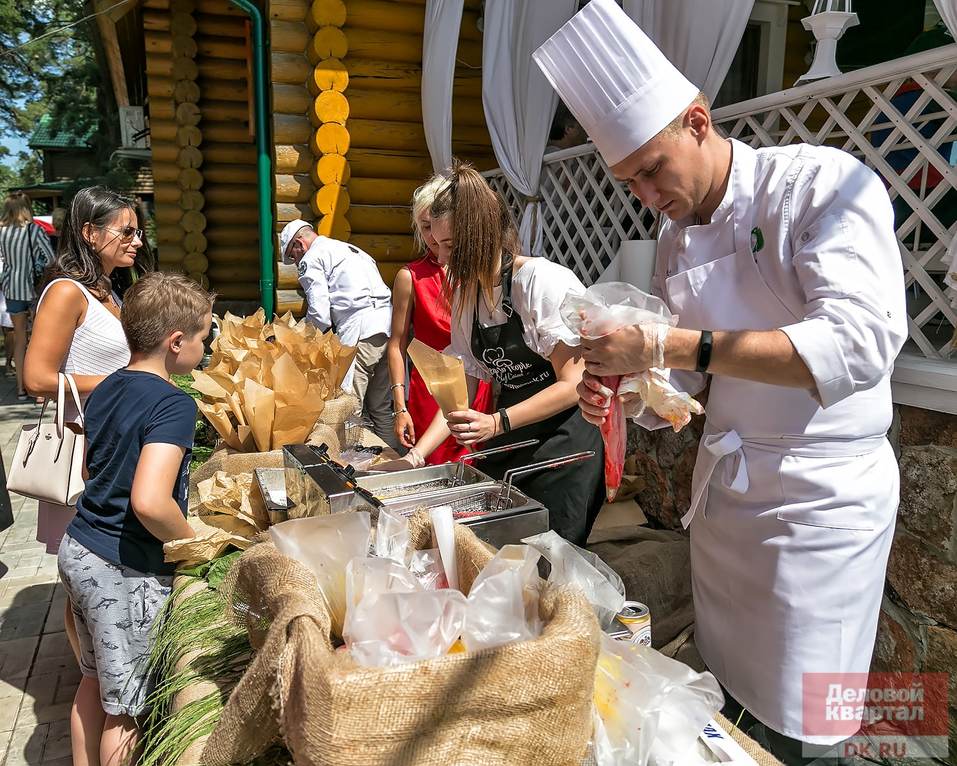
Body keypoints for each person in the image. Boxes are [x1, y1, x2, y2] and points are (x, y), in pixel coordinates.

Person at [535, 0, 907, 762]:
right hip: (730, 502)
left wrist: (666, 343)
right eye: (625, 180)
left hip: (821, 505)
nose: (644, 195)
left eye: (649, 170)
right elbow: (688, 389)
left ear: (697, 122)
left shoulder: (817, 185)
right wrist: (631, 384)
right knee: (731, 699)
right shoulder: (672, 243)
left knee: (816, 718)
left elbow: (859, 341)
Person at [386, 160, 605, 546]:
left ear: (482, 236)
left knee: (555, 557)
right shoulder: (467, 299)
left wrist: (497, 423)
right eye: (435, 245)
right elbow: (463, 393)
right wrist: (415, 458)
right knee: (501, 549)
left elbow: (574, 384)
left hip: (567, 440)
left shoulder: (538, 282)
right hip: (518, 433)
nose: (440, 259)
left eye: (450, 246)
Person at [58, 272, 212, 766]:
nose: (204, 349)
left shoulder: (104, 388)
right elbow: (150, 501)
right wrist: (192, 545)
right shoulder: (173, 403)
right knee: (127, 709)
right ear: (176, 342)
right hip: (121, 570)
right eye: (204, 336)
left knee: (94, 679)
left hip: (79, 546)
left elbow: (89, 468)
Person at [24, 187, 148, 664]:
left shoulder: (108, 290)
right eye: (127, 231)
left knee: (103, 574)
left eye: (139, 232)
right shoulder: (65, 292)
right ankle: (92, 679)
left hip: (111, 448)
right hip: (81, 451)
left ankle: (103, 672)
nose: (137, 241)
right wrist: (126, 381)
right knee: (85, 579)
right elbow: (37, 378)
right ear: (89, 233)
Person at [386, 176, 493, 463]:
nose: (432, 237)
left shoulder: (478, 275)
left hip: (477, 384)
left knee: (476, 469)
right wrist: (400, 407)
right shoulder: (410, 277)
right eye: (425, 227)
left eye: (437, 228)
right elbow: (396, 344)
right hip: (431, 391)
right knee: (431, 469)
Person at [278, 220, 398, 450]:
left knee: (350, 410)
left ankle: (360, 470)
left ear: (299, 244)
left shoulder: (312, 258)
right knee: (381, 408)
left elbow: (319, 312)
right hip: (388, 329)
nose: (296, 262)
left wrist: (302, 341)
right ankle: (399, 468)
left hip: (360, 331)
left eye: (293, 257)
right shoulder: (349, 249)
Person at [0, 191, 55, 399]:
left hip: (11, 288)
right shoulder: (34, 230)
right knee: (37, 338)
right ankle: (39, 391)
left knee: (20, 338)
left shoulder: (1, 231)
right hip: (33, 289)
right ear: (26, 207)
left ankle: (22, 389)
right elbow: (50, 260)